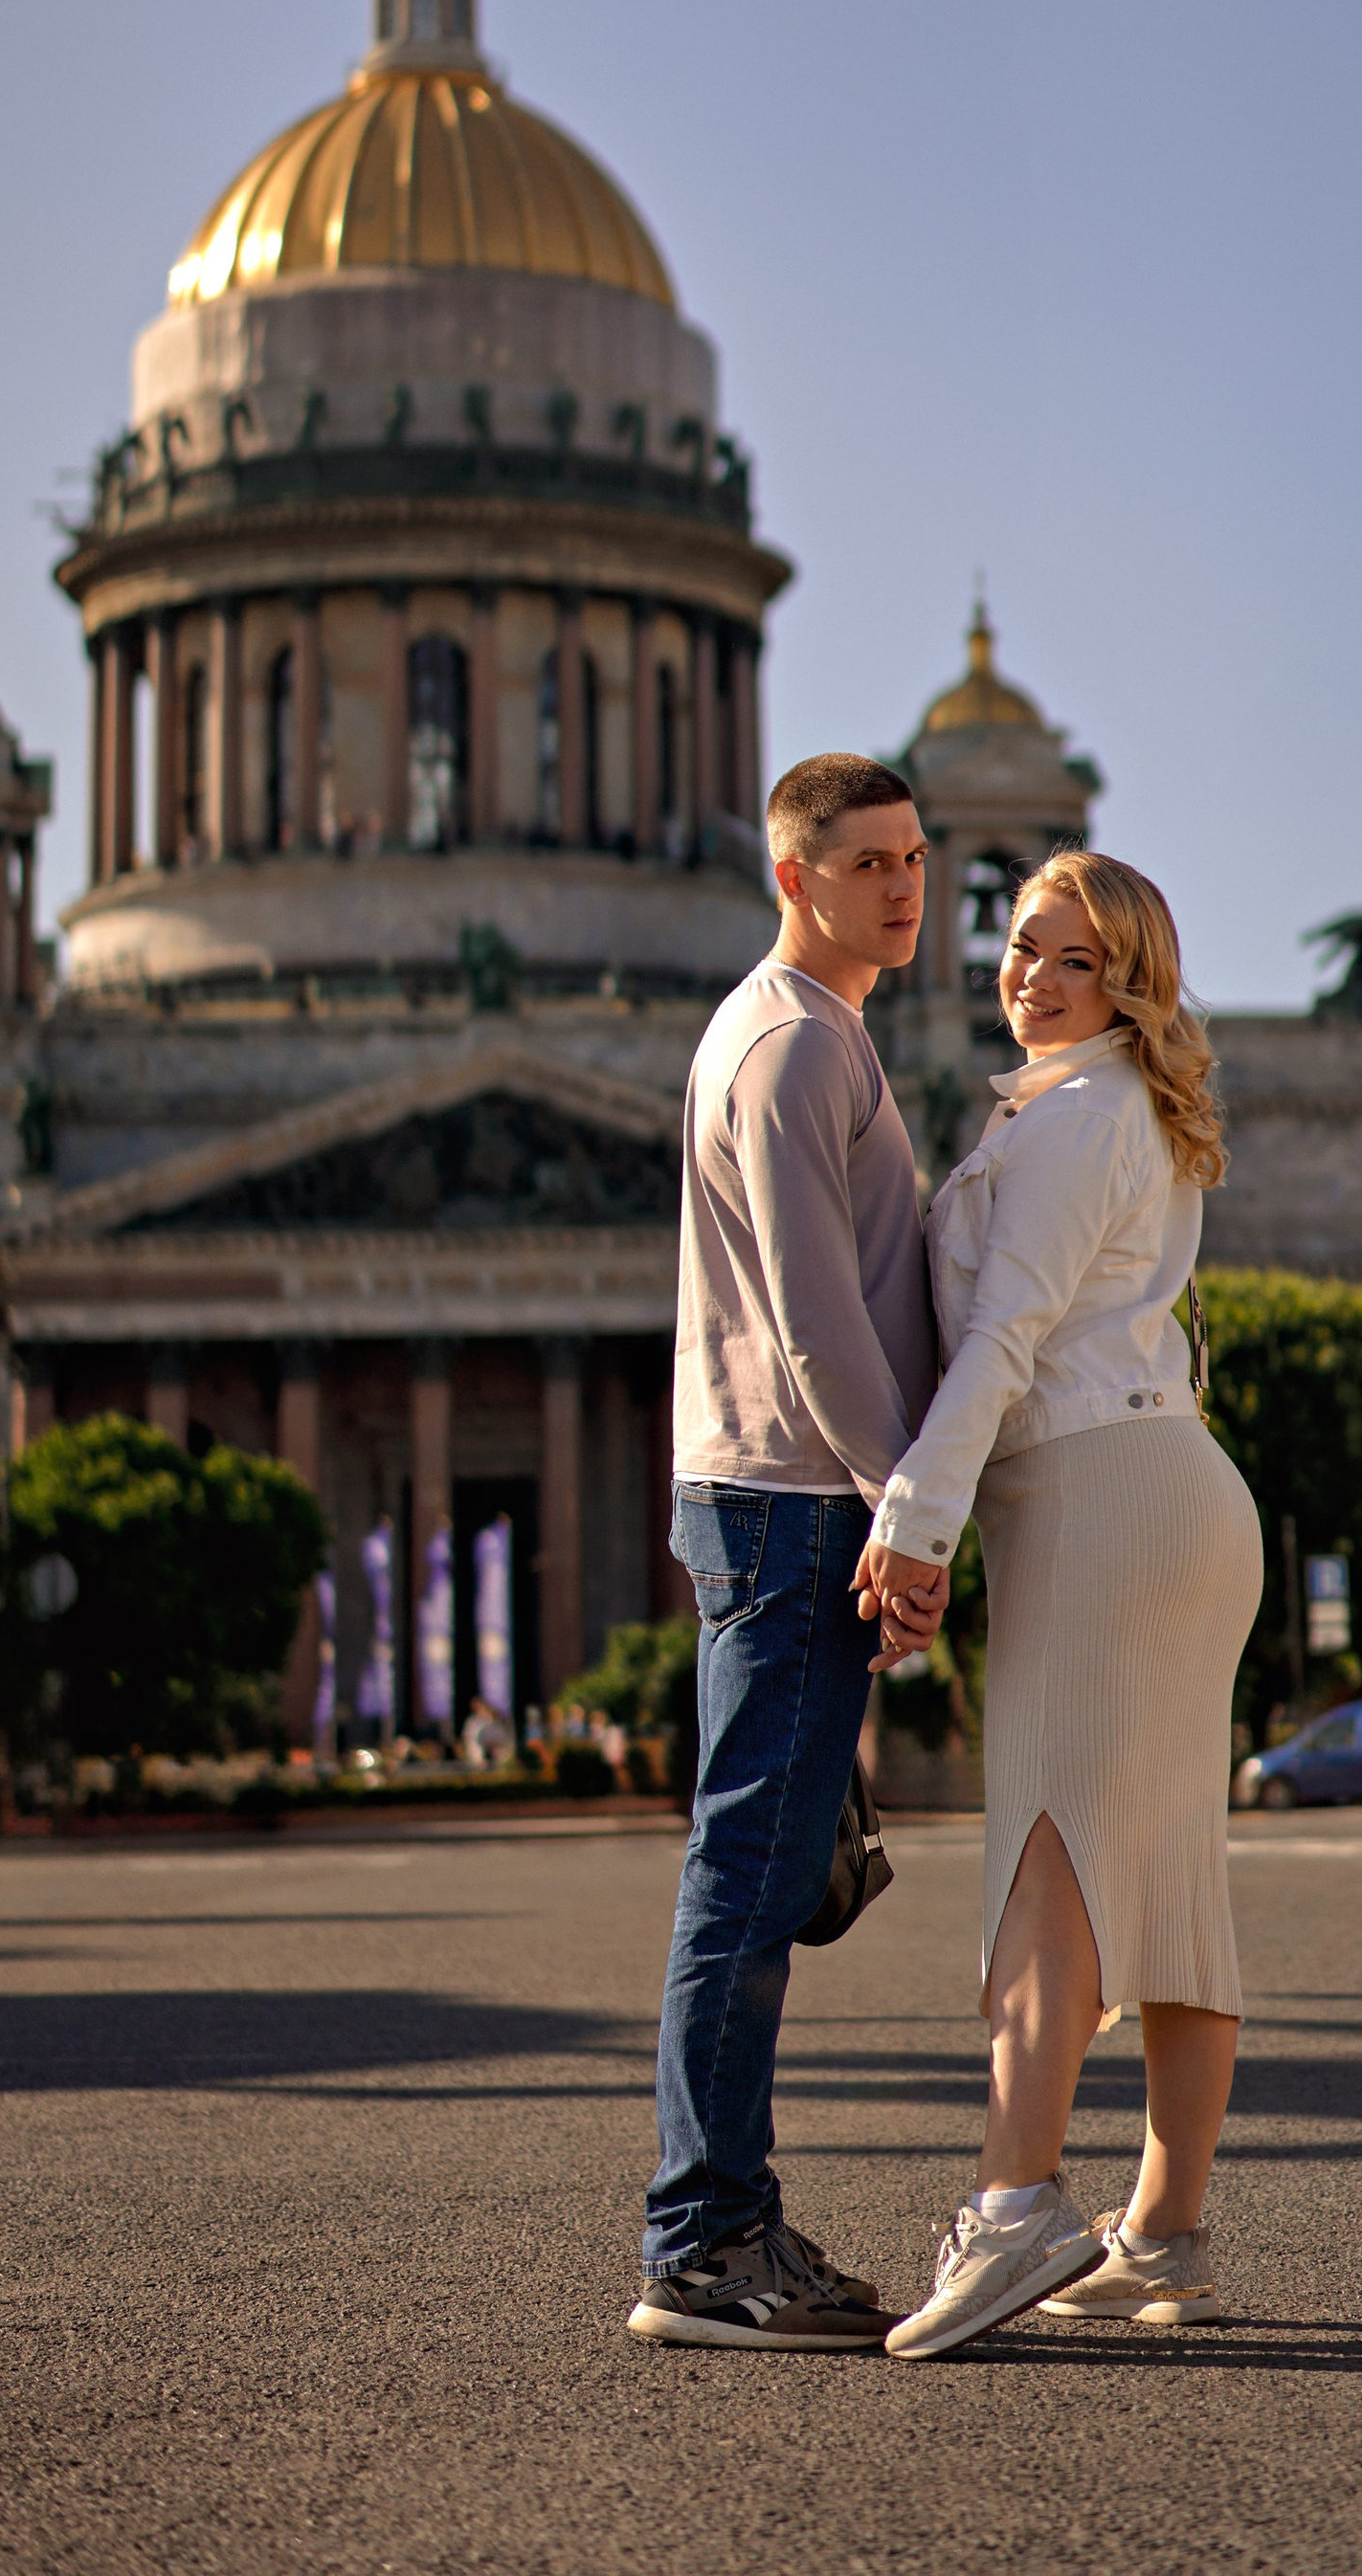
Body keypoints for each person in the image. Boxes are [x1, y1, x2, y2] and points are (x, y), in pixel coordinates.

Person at [860, 849, 1262, 2359]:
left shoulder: (1074, 1117)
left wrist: (913, 1523)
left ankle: (1019, 2202)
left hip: (1096, 1498)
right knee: (1167, 1877)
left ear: (1131, 983)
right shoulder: (1105, 1108)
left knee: (1053, 1859)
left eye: (1074, 959)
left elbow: (1005, 1341)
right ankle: (1163, 2231)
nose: (1032, 973)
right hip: (1167, 1491)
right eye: (1023, 945)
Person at [627, 753, 947, 2350]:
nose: (904, 886)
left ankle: (726, 2216)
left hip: (790, 1497)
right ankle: (701, 2241)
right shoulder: (785, 1048)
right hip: (795, 1501)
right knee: (749, 1877)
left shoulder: (817, 1034)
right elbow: (822, 1329)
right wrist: (911, 1512)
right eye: (869, 862)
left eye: (913, 857)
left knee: (763, 1870)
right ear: (792, 876)